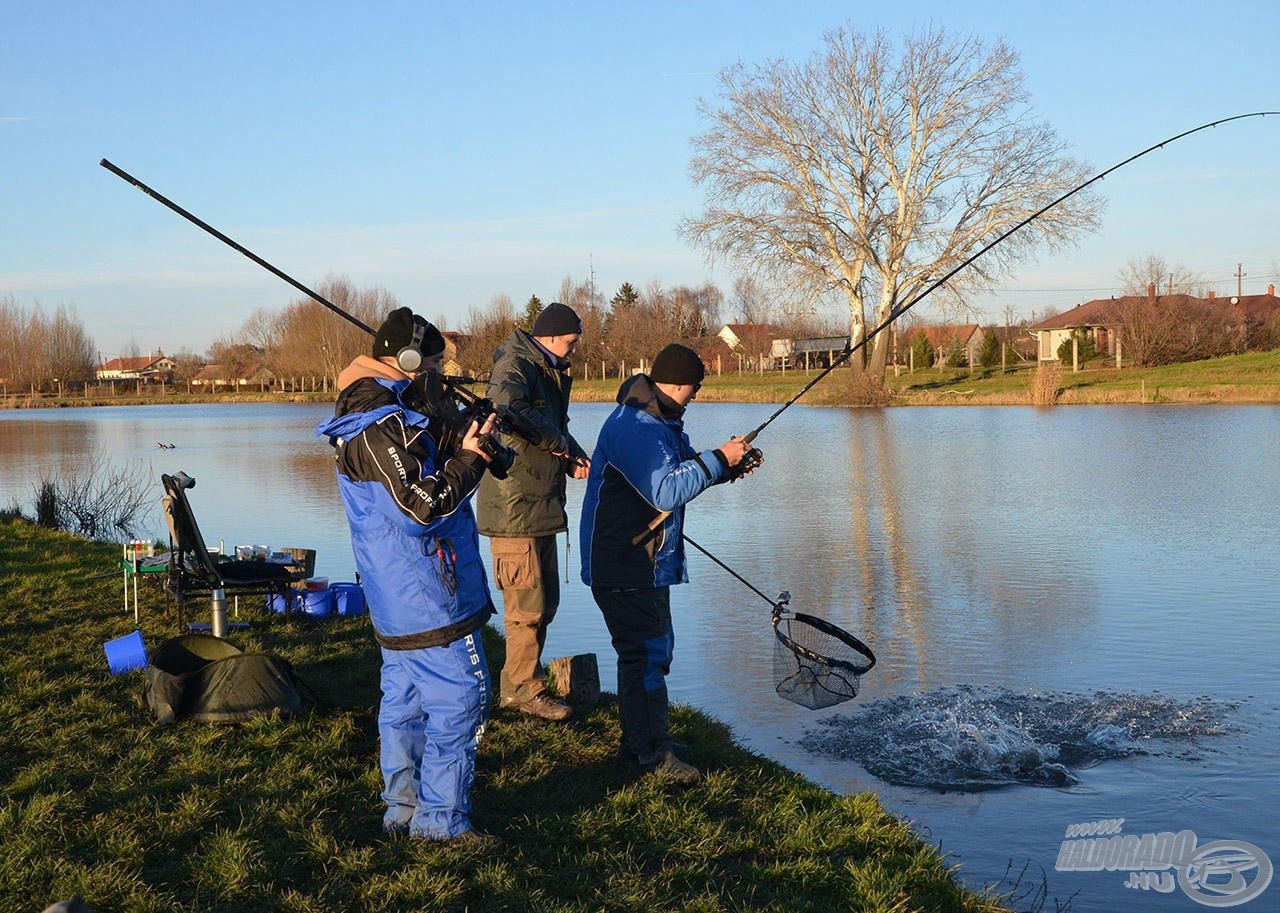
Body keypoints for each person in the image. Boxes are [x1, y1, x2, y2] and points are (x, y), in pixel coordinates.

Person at [315, 307, 501, 846]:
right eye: (437, 364)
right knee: (461, 696)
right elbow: (420, 509)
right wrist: (469, 461)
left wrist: (451, 440)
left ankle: (403, 812)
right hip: (424, 594)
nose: (442, 374)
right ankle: (440, 824)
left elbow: (407, 489)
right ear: (410, 361)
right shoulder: (380, 427)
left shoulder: (380, 416)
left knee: (406, 700)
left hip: (397, 592)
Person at [579, 343, 758, 784]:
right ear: (679, 383)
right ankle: (650, 756)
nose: (696, 395)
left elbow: (683, 474)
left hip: (643, 561)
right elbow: (665, 491)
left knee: (648, 653)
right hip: (626, 562)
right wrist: (718, 459)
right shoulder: (637, 427)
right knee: (645, 654)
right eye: (695, 388)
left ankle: (644, 744)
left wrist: (728, 468)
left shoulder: (659, 421)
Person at [477, 302, 591, 721]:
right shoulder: (515, 363)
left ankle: (527, 683)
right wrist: (556, 443)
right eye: (571, 341)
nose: (574, 349)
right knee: (525, 608)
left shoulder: (546, 370)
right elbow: (506, 408)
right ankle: (521, 691)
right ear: (550, 337)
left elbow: (554, 427)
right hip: (514, 506)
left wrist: (573, 453)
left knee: (545, 603)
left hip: (540, 503)